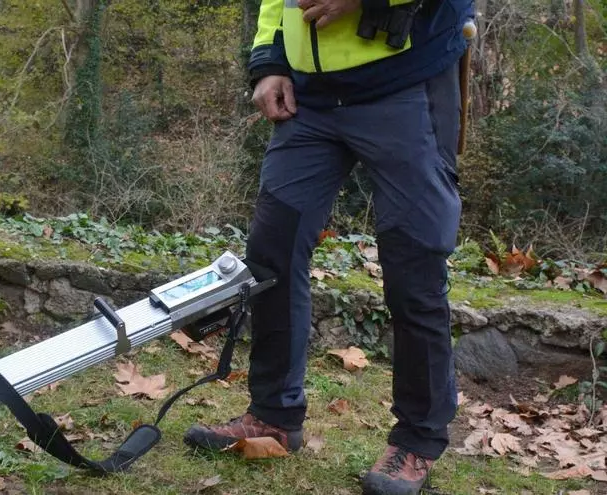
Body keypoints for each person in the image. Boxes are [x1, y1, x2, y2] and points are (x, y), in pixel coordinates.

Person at [183, 0, 474, 493]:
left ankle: (418, 439)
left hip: (407, 82)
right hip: (310, 98)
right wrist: (270, 62)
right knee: (271, 255)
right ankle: (274, 415)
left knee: (414, 267)